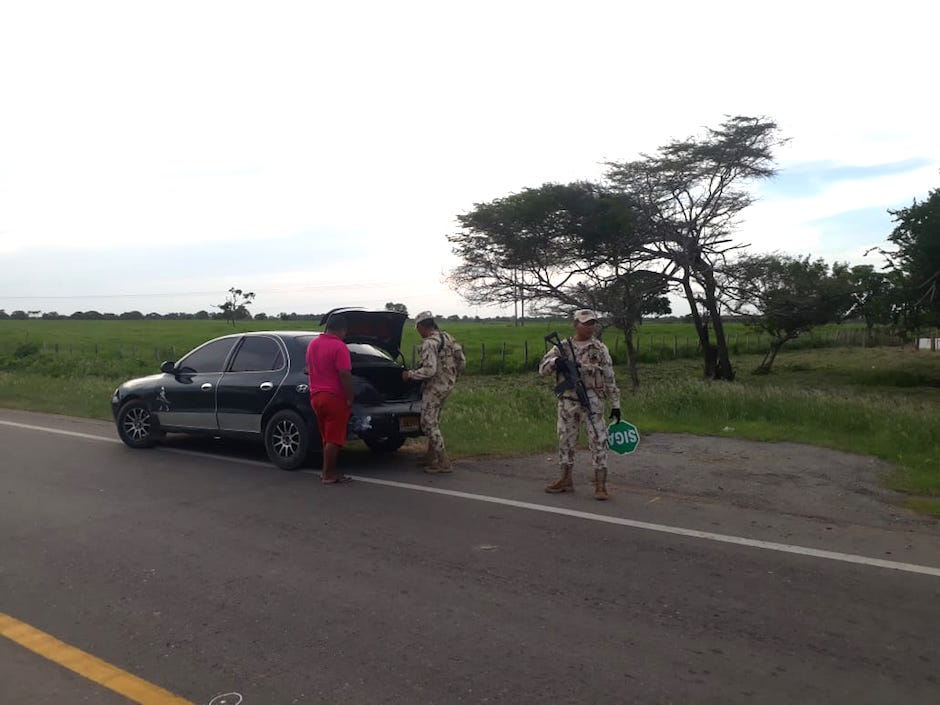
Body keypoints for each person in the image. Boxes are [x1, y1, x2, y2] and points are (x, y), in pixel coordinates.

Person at [538, 309, 621, 500]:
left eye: (592, 323)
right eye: (586, 323)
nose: (590, 327)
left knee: (598, 441)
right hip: (567, 401)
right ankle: (565, 479)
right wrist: (556, 362)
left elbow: (609, 377)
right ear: (576, 324)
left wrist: (615, 404)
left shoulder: (600, 349)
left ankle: (600, 485)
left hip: (592, 401)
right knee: (565, 440)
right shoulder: (562, 347)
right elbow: (542, 369)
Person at [402, 311, 465, 473]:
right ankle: (431, 455)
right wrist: (453, 375)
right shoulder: (448, 338)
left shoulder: (429, 343)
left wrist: (410, 375)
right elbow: (461, 360)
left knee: (428, 423)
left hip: (434, 387)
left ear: (422, 326)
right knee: (434, 418)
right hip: (447, 384)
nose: (418, 332)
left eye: (418, 328)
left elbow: (430, 370)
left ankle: (443, 461)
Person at [306, 314, 355, 484]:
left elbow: (310, 369)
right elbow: (344, 374)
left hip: (316, 396)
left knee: (326, 437)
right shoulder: (339, 347)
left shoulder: (313, 344)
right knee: (334, 439)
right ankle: (328, 474)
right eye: (345, 331)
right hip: (334, 397)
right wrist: (350, 397)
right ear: (341, 330)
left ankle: (327, 471)